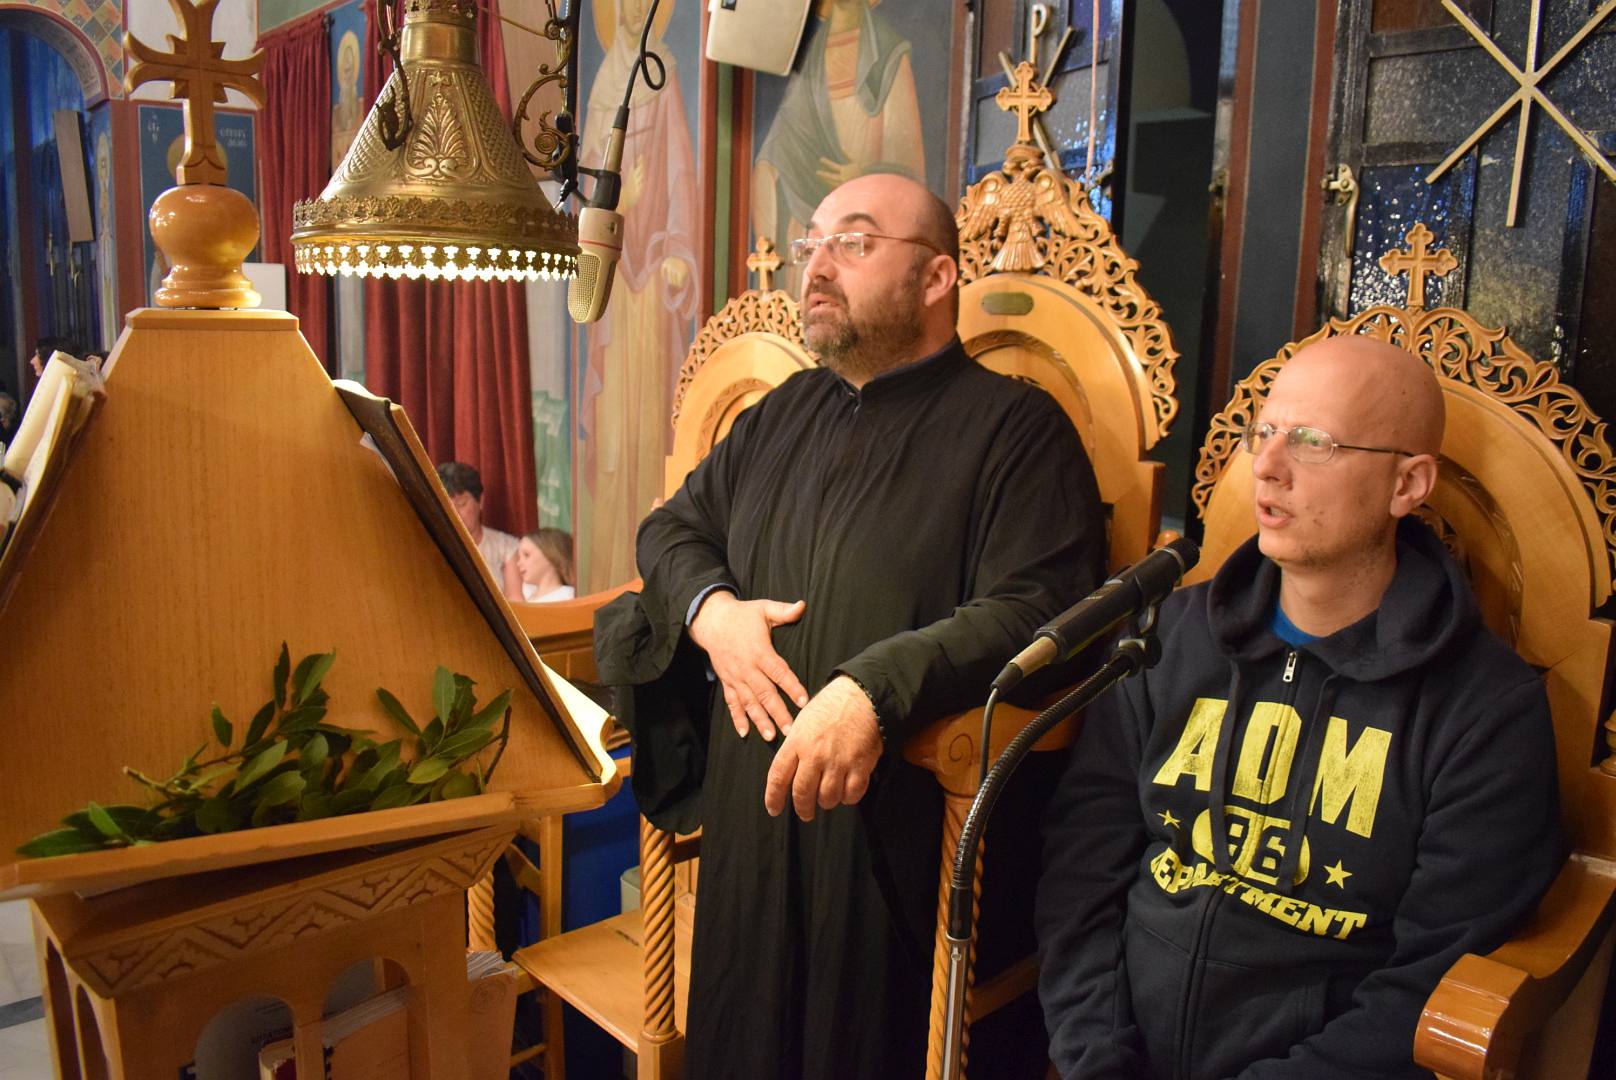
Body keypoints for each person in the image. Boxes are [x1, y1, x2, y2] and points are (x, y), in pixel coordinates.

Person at [598, 172, 1105, 1079]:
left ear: (937, 276)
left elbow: (1037, 606)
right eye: (812, 244)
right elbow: (671, 530)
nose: (817, 266)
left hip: (895, 840)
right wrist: (714, 613)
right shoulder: (784, 411)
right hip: (751, 833)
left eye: (854, 243)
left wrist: (874, 689)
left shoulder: (1017, 429)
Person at [1034, 336, 1562, 1079]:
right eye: (1265, 432)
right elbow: (1082, 871)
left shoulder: (1486, 710)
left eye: (1314, 442)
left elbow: (1426, 983)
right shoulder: (1166, 639)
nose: (1268, 466)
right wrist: (1095, 1057)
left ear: (1408, 484)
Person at [575, 0, 699, 591]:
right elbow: (585, 201)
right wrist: (617, 206)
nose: (628, 11)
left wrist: (677, 247)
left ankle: (645, 573)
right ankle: (606, 578)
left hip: (649, 281)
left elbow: (679, 176)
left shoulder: (663, 75)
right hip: (611, 288)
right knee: (611, 436)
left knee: (649, 426)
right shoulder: (600, 85)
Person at [436, 461, 519, 580]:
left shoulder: (506, 547)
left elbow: (513, 591)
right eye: (447, 506)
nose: (454, 513)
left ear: (480, 501)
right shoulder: (432, 548)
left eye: (461, 504)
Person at [503, 527, 576, 603]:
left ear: (550, 556)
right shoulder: (526, 595)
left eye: (526, 555)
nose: (518, 563)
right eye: (519, 557)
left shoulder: (567, 596)